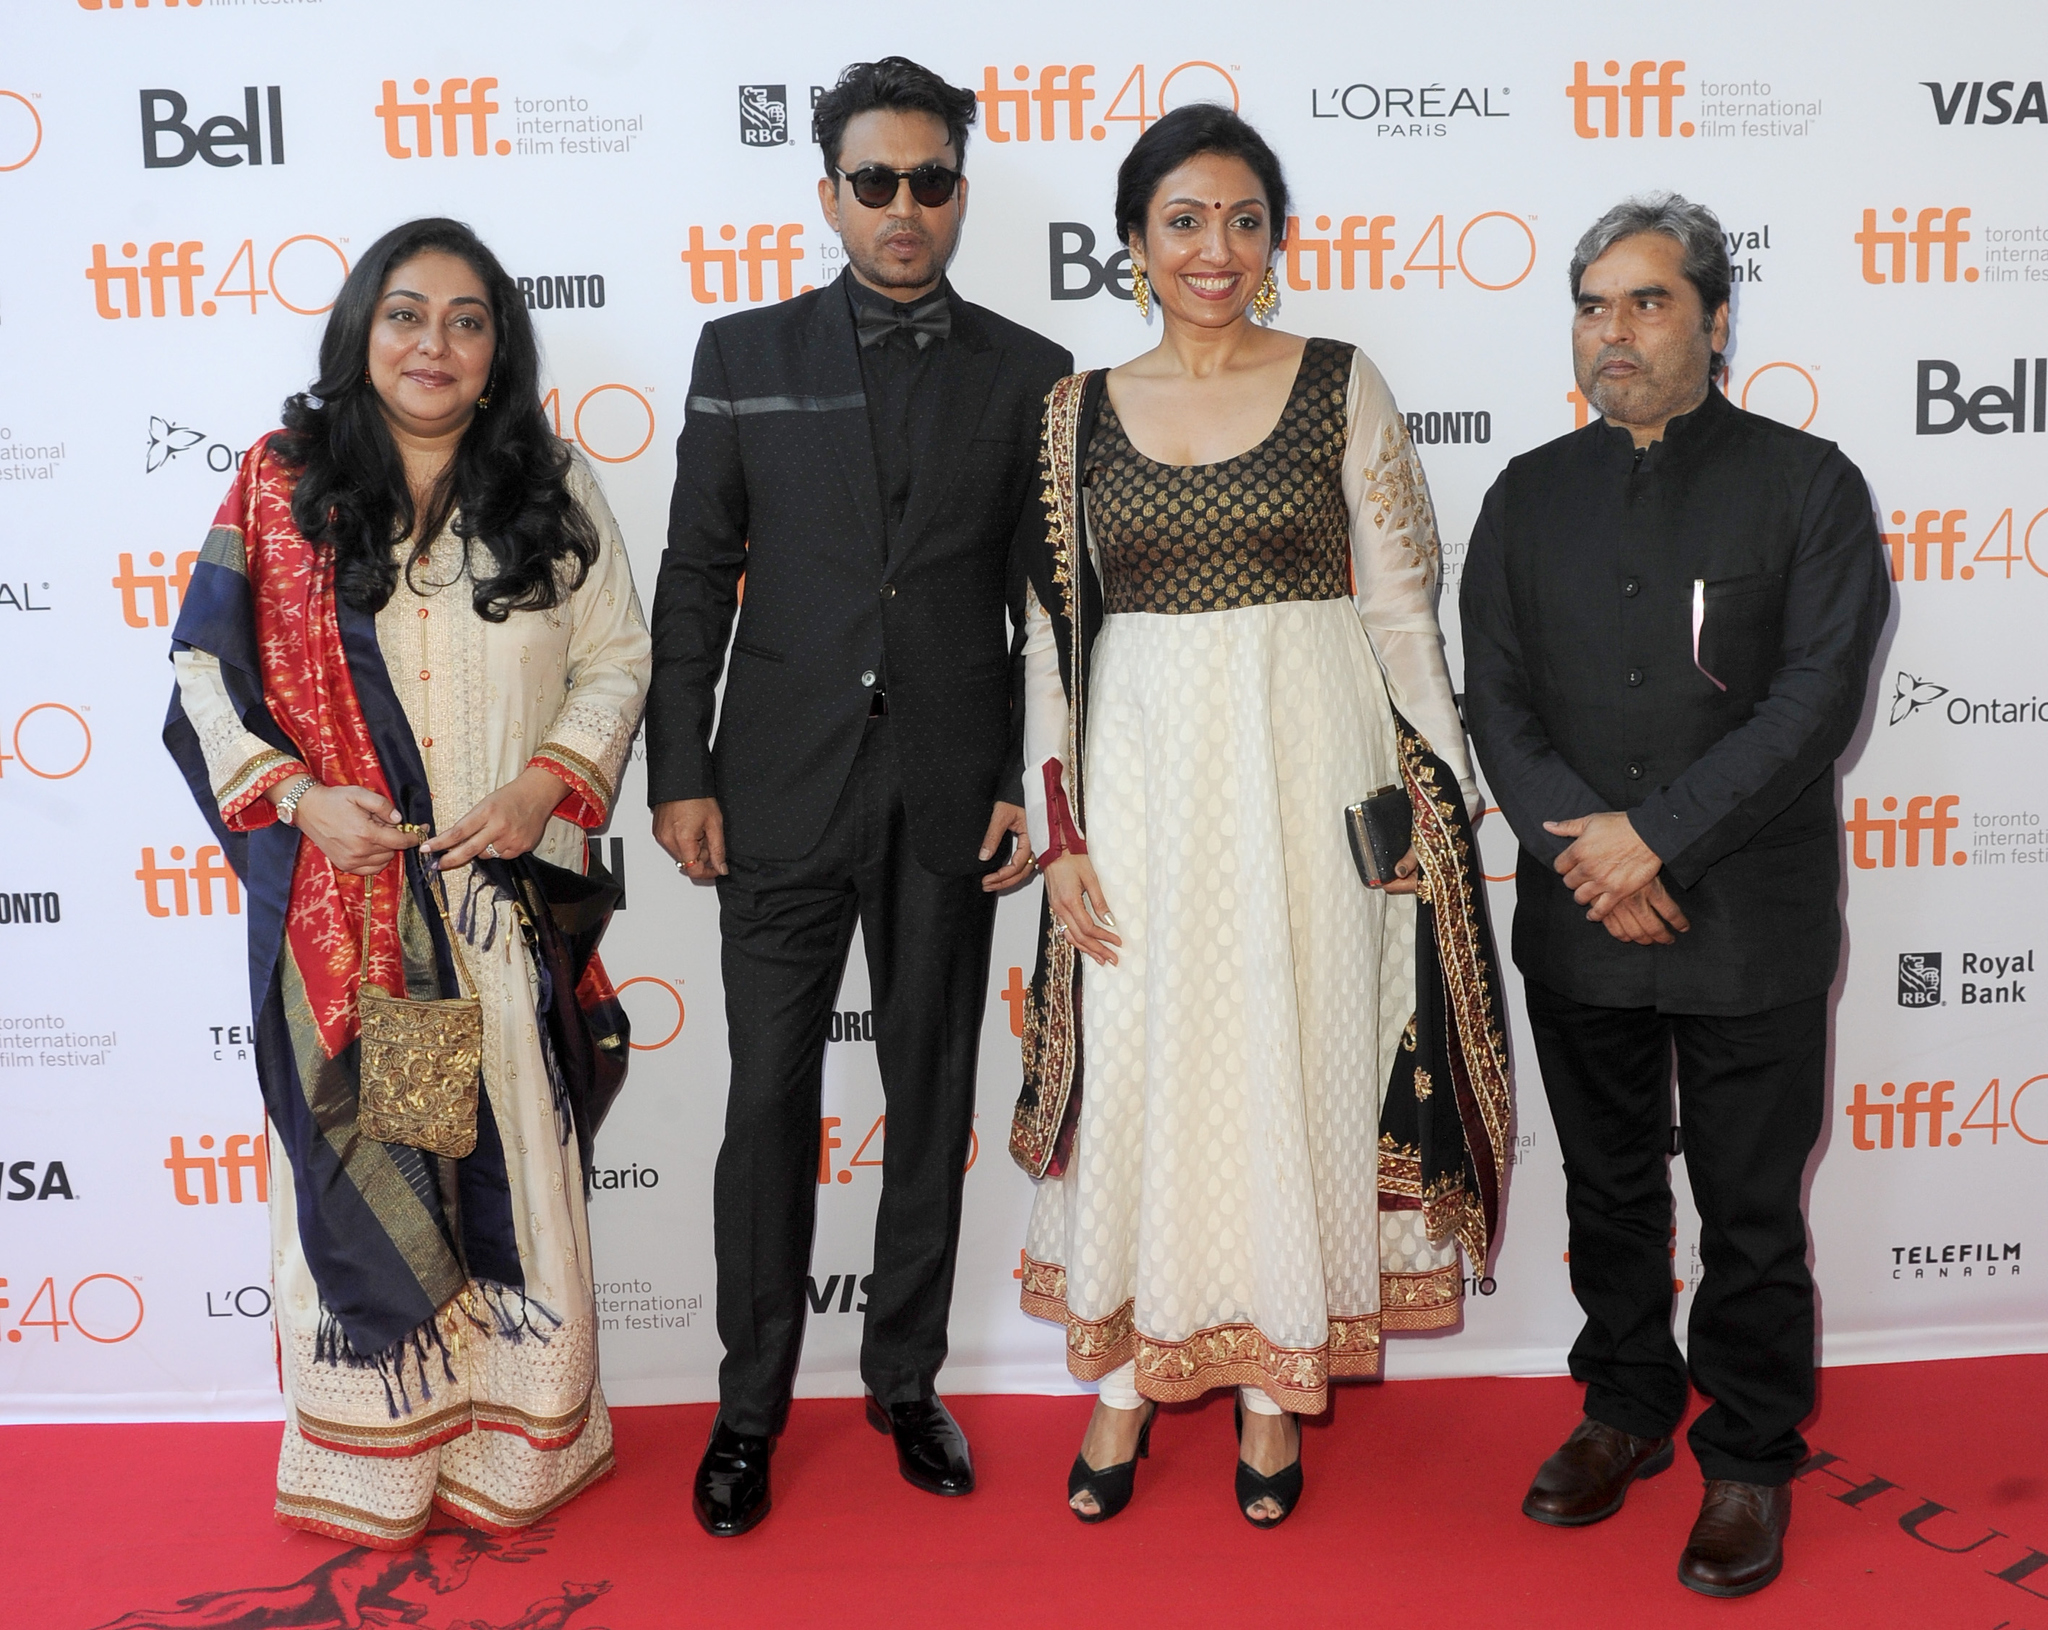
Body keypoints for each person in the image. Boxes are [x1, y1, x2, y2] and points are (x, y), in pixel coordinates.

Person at [1012, 103, 1509, 1529]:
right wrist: (1063, 835)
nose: (1213, 249)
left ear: (1275, 238)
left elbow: (1403, 610)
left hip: (1311, 762)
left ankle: (1275, 1389)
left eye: (1241, 219)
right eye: (1182, 221)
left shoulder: (1342, 383)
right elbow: (1052, 644)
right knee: (1152, 1051)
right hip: (1145, 777)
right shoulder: (1072, 413)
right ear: (1133, 245)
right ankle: (1125, 1368)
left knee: (1297, 1049)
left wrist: (1443, 793)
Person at [164, 216, 651, 1549]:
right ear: (360, 333)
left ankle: (510, 1446)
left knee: (501, 1179)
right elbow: (203, 675)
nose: (432, 343)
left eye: (465, 320)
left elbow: (615, 660)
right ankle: (386, 1453)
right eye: (405, 313)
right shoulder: (284, 486)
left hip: (493, 912)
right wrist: (307, 799)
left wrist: (542, 785)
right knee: (403, 1175)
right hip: (361, 926)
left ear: (499, 352)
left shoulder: (548, 483)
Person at [646, 56, 1071, 1537]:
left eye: (931, 180)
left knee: (931, 1086)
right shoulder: (743, 348)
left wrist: (1035, 784)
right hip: (772, 788)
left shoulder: (1032, 375)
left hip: (953, 792)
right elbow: (696, 573)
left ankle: (904, 1380)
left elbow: (1056, 612)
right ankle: (748, 1407)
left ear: (963, 190)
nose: (905, 208)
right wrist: (680, 771)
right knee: (765, 1100)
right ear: (827, 191)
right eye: (874, 181)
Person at [1460, 193, 1887, 1598]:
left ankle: (1753, 1454)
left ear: (1714, 317)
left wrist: (1659, 841)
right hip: (1582, 921)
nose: (1616, 330)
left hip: (1748, 920)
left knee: (1753, 1206)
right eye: (1593, 304)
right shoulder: (1527, 491)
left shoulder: (1809, 486)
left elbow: (1812, 700)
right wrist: (1595, 852)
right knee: (1610, 1187)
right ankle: (1628, 1406)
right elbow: (1500, 700)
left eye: (1648, 301)